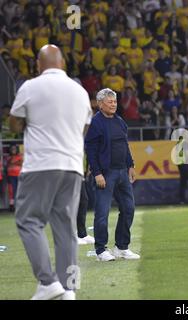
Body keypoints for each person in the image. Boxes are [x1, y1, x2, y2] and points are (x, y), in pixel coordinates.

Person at [9, 44, 92, 300]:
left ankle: (47, 282)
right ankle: (68, 290)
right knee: (66, 230)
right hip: (72, 165)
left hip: (41, 164)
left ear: (38, 64)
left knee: (29, 220)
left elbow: (13, 123)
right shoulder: (80, 91)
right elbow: (84, 128)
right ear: (63, 63)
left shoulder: (30, 87)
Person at [85, 88, 140, 261]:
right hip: (105, 174)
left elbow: (125, 145)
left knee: (128, 208)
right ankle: (101, 250)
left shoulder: (120, 121)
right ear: (100, 104)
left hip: (122, 172)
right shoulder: (95, 123)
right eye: (110, 102)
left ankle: (121, 247)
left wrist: (130, 165)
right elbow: (91, 150)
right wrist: (97, 173)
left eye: (115, 102)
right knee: (102, 213)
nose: (113, 104)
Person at [6, 144, 22, 211]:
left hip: (19, 175)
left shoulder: (20, 156)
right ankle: (12, 205)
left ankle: (19, 205)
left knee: (20, 190)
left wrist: (15, 163)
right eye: (12, 149)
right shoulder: (8, 157)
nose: (13, 150)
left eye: (15, 149)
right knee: (12, 190)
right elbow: (9, 163)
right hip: (11, 176)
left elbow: (21, 163)